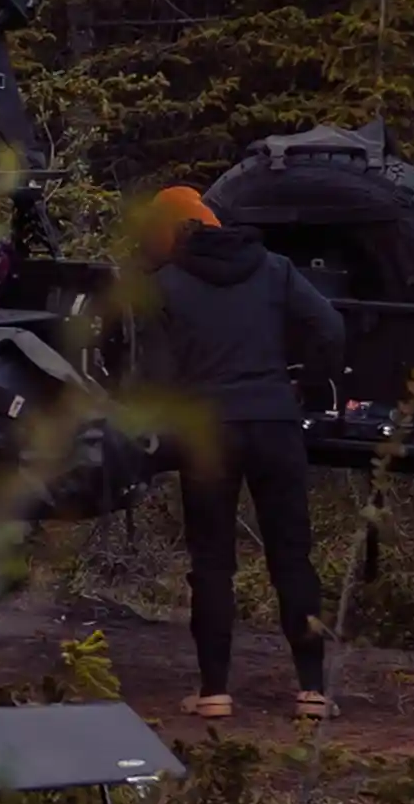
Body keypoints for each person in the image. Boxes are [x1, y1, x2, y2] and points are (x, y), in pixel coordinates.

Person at [137, 186, 346, 721]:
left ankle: (213, 693)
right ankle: (312, 691)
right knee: (292, 556)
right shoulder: (274, 269)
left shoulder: (165, 285)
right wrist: (304, 381)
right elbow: (328, 325)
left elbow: (157, 378)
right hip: (275, 423)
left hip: (209, 431)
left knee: (211, 563)